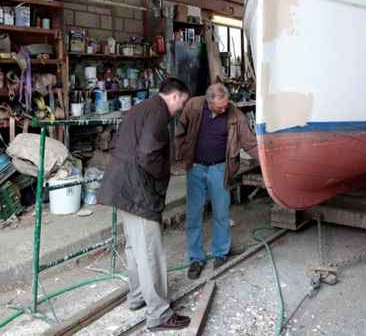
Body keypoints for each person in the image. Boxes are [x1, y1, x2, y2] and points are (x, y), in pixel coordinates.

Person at [98, 77, 191, 332]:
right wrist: (163, 176)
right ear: (174, 96)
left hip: (122, 186)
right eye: (181, 102)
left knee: (134, 246)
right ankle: (159, 313)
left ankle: (138, 296)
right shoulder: (159, 113)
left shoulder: (141, 107)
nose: (180, 108)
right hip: (138, 190)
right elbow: (149, 154)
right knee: (149, 250)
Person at [175, 83, 258, 280]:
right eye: (219, 106)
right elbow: (180, 130)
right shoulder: (194, 106)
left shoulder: (235, 115)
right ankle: (196, 258)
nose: (223, 109)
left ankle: (221, 253)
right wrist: (182, 154)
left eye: (225, 105)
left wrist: (267, 162)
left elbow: (249, 142)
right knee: (194, 214)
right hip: (196, 167)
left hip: (220, 168)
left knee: (221, 213)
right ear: (209, 101)